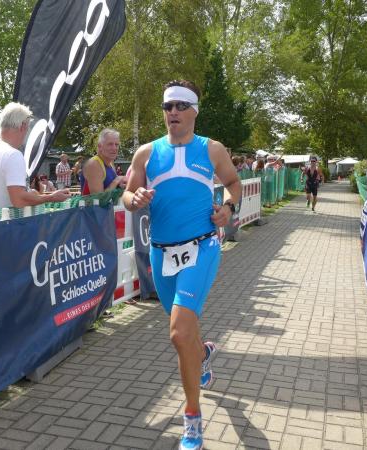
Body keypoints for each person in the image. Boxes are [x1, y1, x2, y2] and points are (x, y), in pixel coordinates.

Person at [122, 80, 241, 450]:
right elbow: (127, 194)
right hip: (162, 253)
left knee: (177, 333)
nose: (172, 112)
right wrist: (134, 198)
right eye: (167, 106)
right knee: (185, 334)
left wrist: (228, 207)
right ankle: (202, 355)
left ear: (194, 111)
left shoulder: (211, 148)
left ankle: (192, 419)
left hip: (201, 247)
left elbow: (233, 183)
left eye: (180, 105)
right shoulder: (146, 153)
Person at [0, 102, 70, 209]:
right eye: (28, 128)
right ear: (23, 126)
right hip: (10, 218)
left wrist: (29, 192)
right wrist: (51, 197)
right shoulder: (13, 154)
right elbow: (19, 200)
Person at [81, 129, 127, 194]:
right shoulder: (94, 164)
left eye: (116, 144)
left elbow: (111, 185)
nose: (114, 148)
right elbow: (99, 198)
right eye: (110, 144)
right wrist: (116, 181)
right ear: (100, 146)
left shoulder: (110, 163)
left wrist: (120, 183)